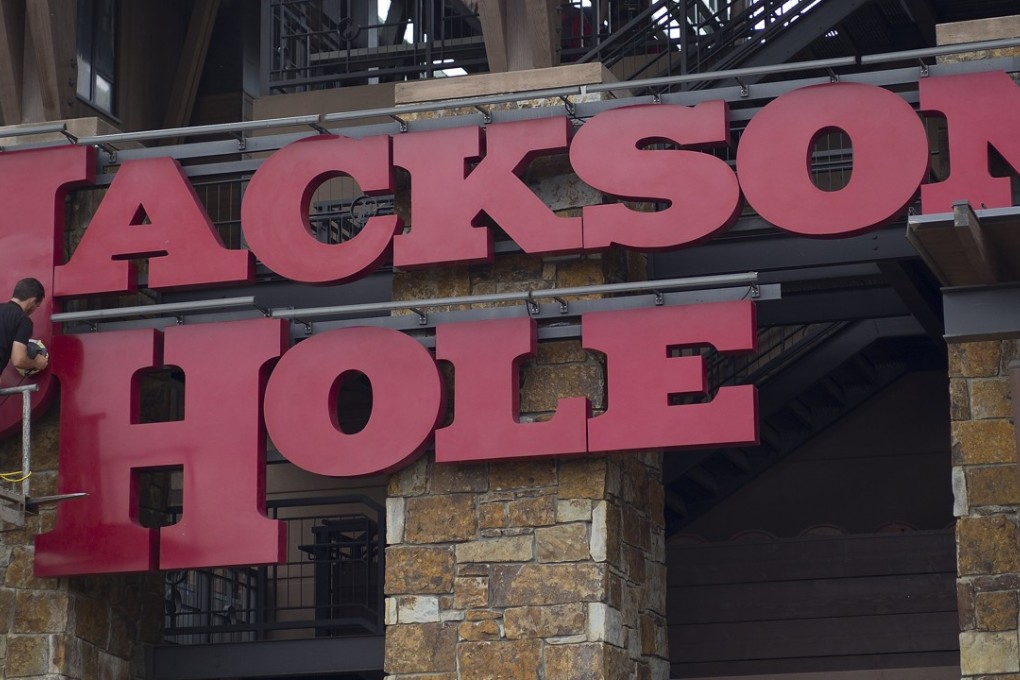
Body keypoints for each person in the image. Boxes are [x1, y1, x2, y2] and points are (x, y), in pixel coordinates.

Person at [0, 278, 49, 377]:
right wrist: (36, 363)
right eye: (37, 306)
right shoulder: (23, 320)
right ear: (32, 301)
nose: (34, 310)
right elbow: (18, 359)